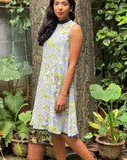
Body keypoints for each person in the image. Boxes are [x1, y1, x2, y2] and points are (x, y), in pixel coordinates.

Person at [30, 0, 96, 160]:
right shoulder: (48, 25)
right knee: (54, 130)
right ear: (52, 6)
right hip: (46, 87)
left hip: (62, 89)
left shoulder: (74, 29)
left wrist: (62, 94)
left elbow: (72, 64)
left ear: (71, 7)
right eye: (57, 3)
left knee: (68, 135)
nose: (60, 7)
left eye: (64, 4)